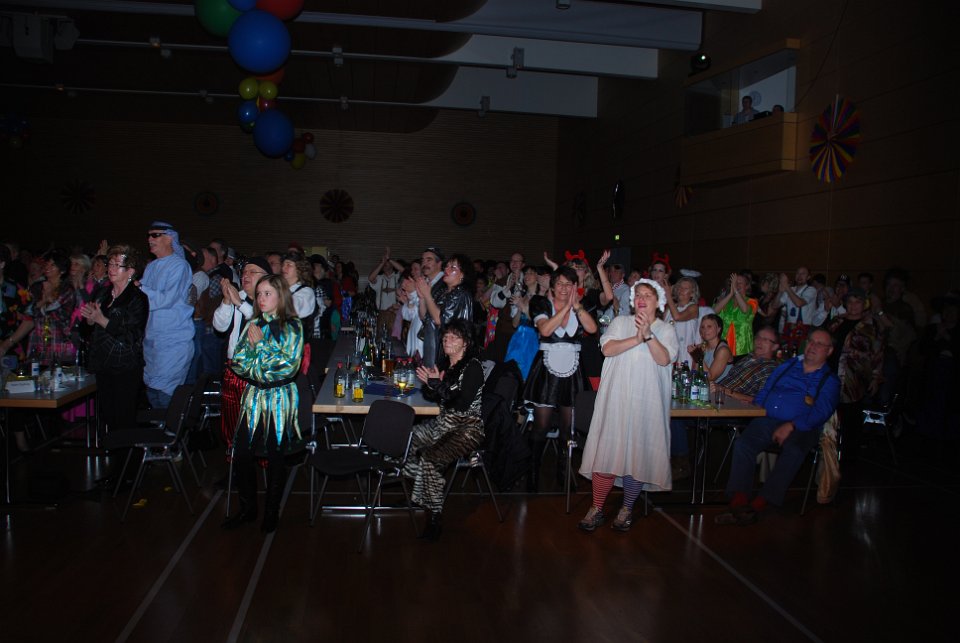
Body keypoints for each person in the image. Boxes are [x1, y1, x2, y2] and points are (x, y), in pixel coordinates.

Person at [577, 279, 679, 532]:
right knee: (606, 454)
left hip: (647, 404)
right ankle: (597, 507)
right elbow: (608, 349)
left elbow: (664, 359)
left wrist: (649, 336)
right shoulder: (620, 322)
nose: (642, 298)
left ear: (659, 302)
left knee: (637, 458)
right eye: (638, 294)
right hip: (616, 401)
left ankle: (626, 508)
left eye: (648, 295)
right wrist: (637, 337)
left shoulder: (665, 330)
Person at [716, 328, 840, 525]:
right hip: (769, 418)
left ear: (829, 351)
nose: (813, 346)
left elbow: (821, 412)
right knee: (744, 443)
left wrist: (792, 425)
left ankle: (763, 501)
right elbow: (767, 389)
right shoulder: (788, 366)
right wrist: (756, 408)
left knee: (794, 449)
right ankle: (739, 499)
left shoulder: (829, 380)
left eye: (819, 344)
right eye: (811, 341)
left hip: (802, 426)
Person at [222, 274, 304, 534]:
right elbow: (239, 362)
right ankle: (248, 509)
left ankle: (271, 511)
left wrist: (261, 347)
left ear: (281, 296)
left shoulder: (292, 326)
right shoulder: (253, 324)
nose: (261, 298)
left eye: (267, 293)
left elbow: (288, 366)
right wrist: (263, 363)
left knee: (275, 456)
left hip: (279, 399)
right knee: (242, 452)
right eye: (259, 294)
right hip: (254, 397)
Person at [404, 319, 485, 541]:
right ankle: (417, 492)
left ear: (465, 343)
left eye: (454, 337)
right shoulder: (444, 364)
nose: (447, 340)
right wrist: (431, 385)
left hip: (467, 428)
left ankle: (434, 517)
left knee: (431, 458)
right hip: (444, 423)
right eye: (446, 336)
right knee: (409, 439)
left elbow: (462, 403)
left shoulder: (473, 367)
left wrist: (436, 385)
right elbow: (433, 396)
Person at [523, 265, 598, 491]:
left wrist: (576, 307)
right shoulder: (540, 303)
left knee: (568, 427)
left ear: (575, 286)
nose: (564, 288)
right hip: (546, 367)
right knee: (541, 425)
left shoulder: (580, 306)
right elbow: (545, 330)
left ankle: (564, 471)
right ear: (553, 287)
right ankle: (532, 471)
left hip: (573, 368)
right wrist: (565, 308)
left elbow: (592, 328)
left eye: (569, 284)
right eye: (560, 284)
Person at [81, 245, 148, 483]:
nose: (110, 268)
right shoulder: (102, 293)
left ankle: (128, 473)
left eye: (116, 265)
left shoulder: (137, 299)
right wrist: (90, 322)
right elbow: (87, 329)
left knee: (124, 420)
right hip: (104, 364)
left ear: (131, 271)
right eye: (109, 263)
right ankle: (116, 470)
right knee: (109, 418)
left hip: (125, 367)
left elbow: (132, 335)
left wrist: (102, 320)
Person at [212, 256, 271, 458]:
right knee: (232, 419)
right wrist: (227, 301)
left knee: (257, 421)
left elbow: (265, 325)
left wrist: (239, 303)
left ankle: (262, 461)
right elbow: (220, 326)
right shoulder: (238, 295)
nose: (246, 275)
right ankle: (235, 461)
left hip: (258, 372)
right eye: (244, 272)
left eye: (252, 272)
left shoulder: (270, 299)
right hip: (233, 368)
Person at [139, 221, 195, 409]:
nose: (150, 239)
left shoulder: (179, 266)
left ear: (170, 238)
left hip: (173, 342)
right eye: (149, 235)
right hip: (152, 343)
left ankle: (171, 429)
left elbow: (166, 299)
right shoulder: (151, 267)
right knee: (153, 395)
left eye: (155, 235)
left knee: (166, 398)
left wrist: (139, 288)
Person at [826, 288, 885, 462]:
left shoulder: (871, 326)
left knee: (851, 417)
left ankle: (849, 457)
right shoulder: (836, 321)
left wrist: (875, 377)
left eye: (857, 302)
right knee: (829, 413)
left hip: (854, 378)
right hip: (830, 374)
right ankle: (828, 454)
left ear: (864, 304)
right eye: (850, 302)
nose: (853, 306)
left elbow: (878, 354)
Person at [416, 252, 473, 369]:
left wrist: (427, 294)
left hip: (451, 349)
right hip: (435, 345)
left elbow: (440, 320)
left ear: (462, 274)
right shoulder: (442, 292)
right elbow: (424, 318)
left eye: (453, 267)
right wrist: (422, 297)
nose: (446, 269)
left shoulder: (461, 294)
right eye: (446, 266)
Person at [713, 325, 780, 403]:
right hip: (716, 397)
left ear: (775, 347)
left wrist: (724, 390)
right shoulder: (748, 358)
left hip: (730, 405)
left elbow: (762, 400)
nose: (759, 341)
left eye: (765, 339)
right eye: (758, 337)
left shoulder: (769, 368)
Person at [714, 271, 758, 356]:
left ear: (747, 286)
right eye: (734, 283)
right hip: (724, 347)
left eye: (740, 283)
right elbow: (714, 311)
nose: (736, 285)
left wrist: (735, 290)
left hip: (742, 348)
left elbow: (745, 310)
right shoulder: (727, 301)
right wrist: (731, 294)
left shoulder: (752, 302)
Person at [776, 266, 818, 355]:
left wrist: (787, 287)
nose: (799, 276)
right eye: (798, 273)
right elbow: (775, 305)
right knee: (785, 356)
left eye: (803, 274)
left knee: (801, 356)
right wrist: (780, 291)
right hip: (788, 329)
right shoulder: (791, 289)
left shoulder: (811, 290)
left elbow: (799, 303)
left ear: (808, 277)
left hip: (803, 329)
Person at [368, 246, 403, 335]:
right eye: (383, 262)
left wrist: (389, 259)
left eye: (387, 263)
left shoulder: (397, 277)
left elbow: (403, 270)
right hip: (381, 313)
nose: (385, 264)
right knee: (380, 337)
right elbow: (371, 278)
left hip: (395, 313)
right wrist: (382, 263)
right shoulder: (379, 278)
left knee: (394, 338)